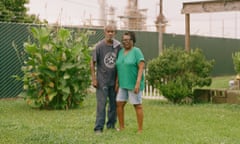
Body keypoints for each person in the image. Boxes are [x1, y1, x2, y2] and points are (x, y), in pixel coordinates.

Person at [90, 24, 121, 133]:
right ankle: (98, 128)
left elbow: (120, 65)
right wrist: (94, 79)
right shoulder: (99, 46)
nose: (110, 33)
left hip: (114, 81)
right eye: (108, 31)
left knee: (114, 104)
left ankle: (111, 125)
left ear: (115, 33)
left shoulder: (118, 46)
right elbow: (92, 63)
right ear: (104, 32)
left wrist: (117, 81)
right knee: (101, 104)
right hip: (102, 81)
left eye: (112, 31)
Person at [116, 31, 145, 133]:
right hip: (123, 84)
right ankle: (122, 127)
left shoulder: (137, 51)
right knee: (119, 104)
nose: (126, 42)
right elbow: (119, 67)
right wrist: (117, 82)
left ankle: (140, 129)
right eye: (124, 40)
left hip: (133, 84)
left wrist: (137, 83)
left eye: (128, 40)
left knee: (137, 105)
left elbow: (141, 67)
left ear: (133, 41)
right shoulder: (120, 52)